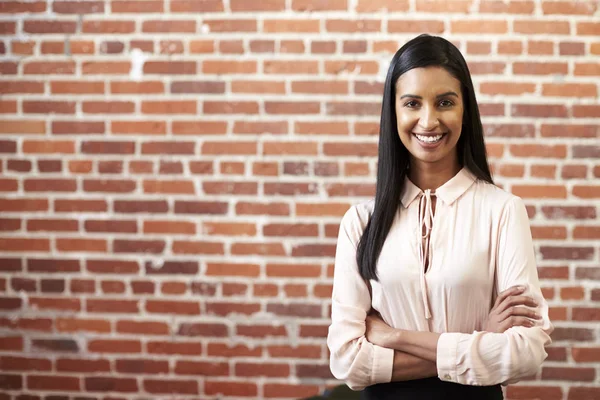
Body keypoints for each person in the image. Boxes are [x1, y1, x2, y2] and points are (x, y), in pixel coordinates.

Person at [326, 34, 554, 399]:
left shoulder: (503, 211)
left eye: (445, 102)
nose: (428, 121)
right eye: (412, 103)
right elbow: (347, 361)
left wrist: (394, 337)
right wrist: (478, 342)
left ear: (465, 109)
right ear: (394, 112)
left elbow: (526, 354)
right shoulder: (360, 222)